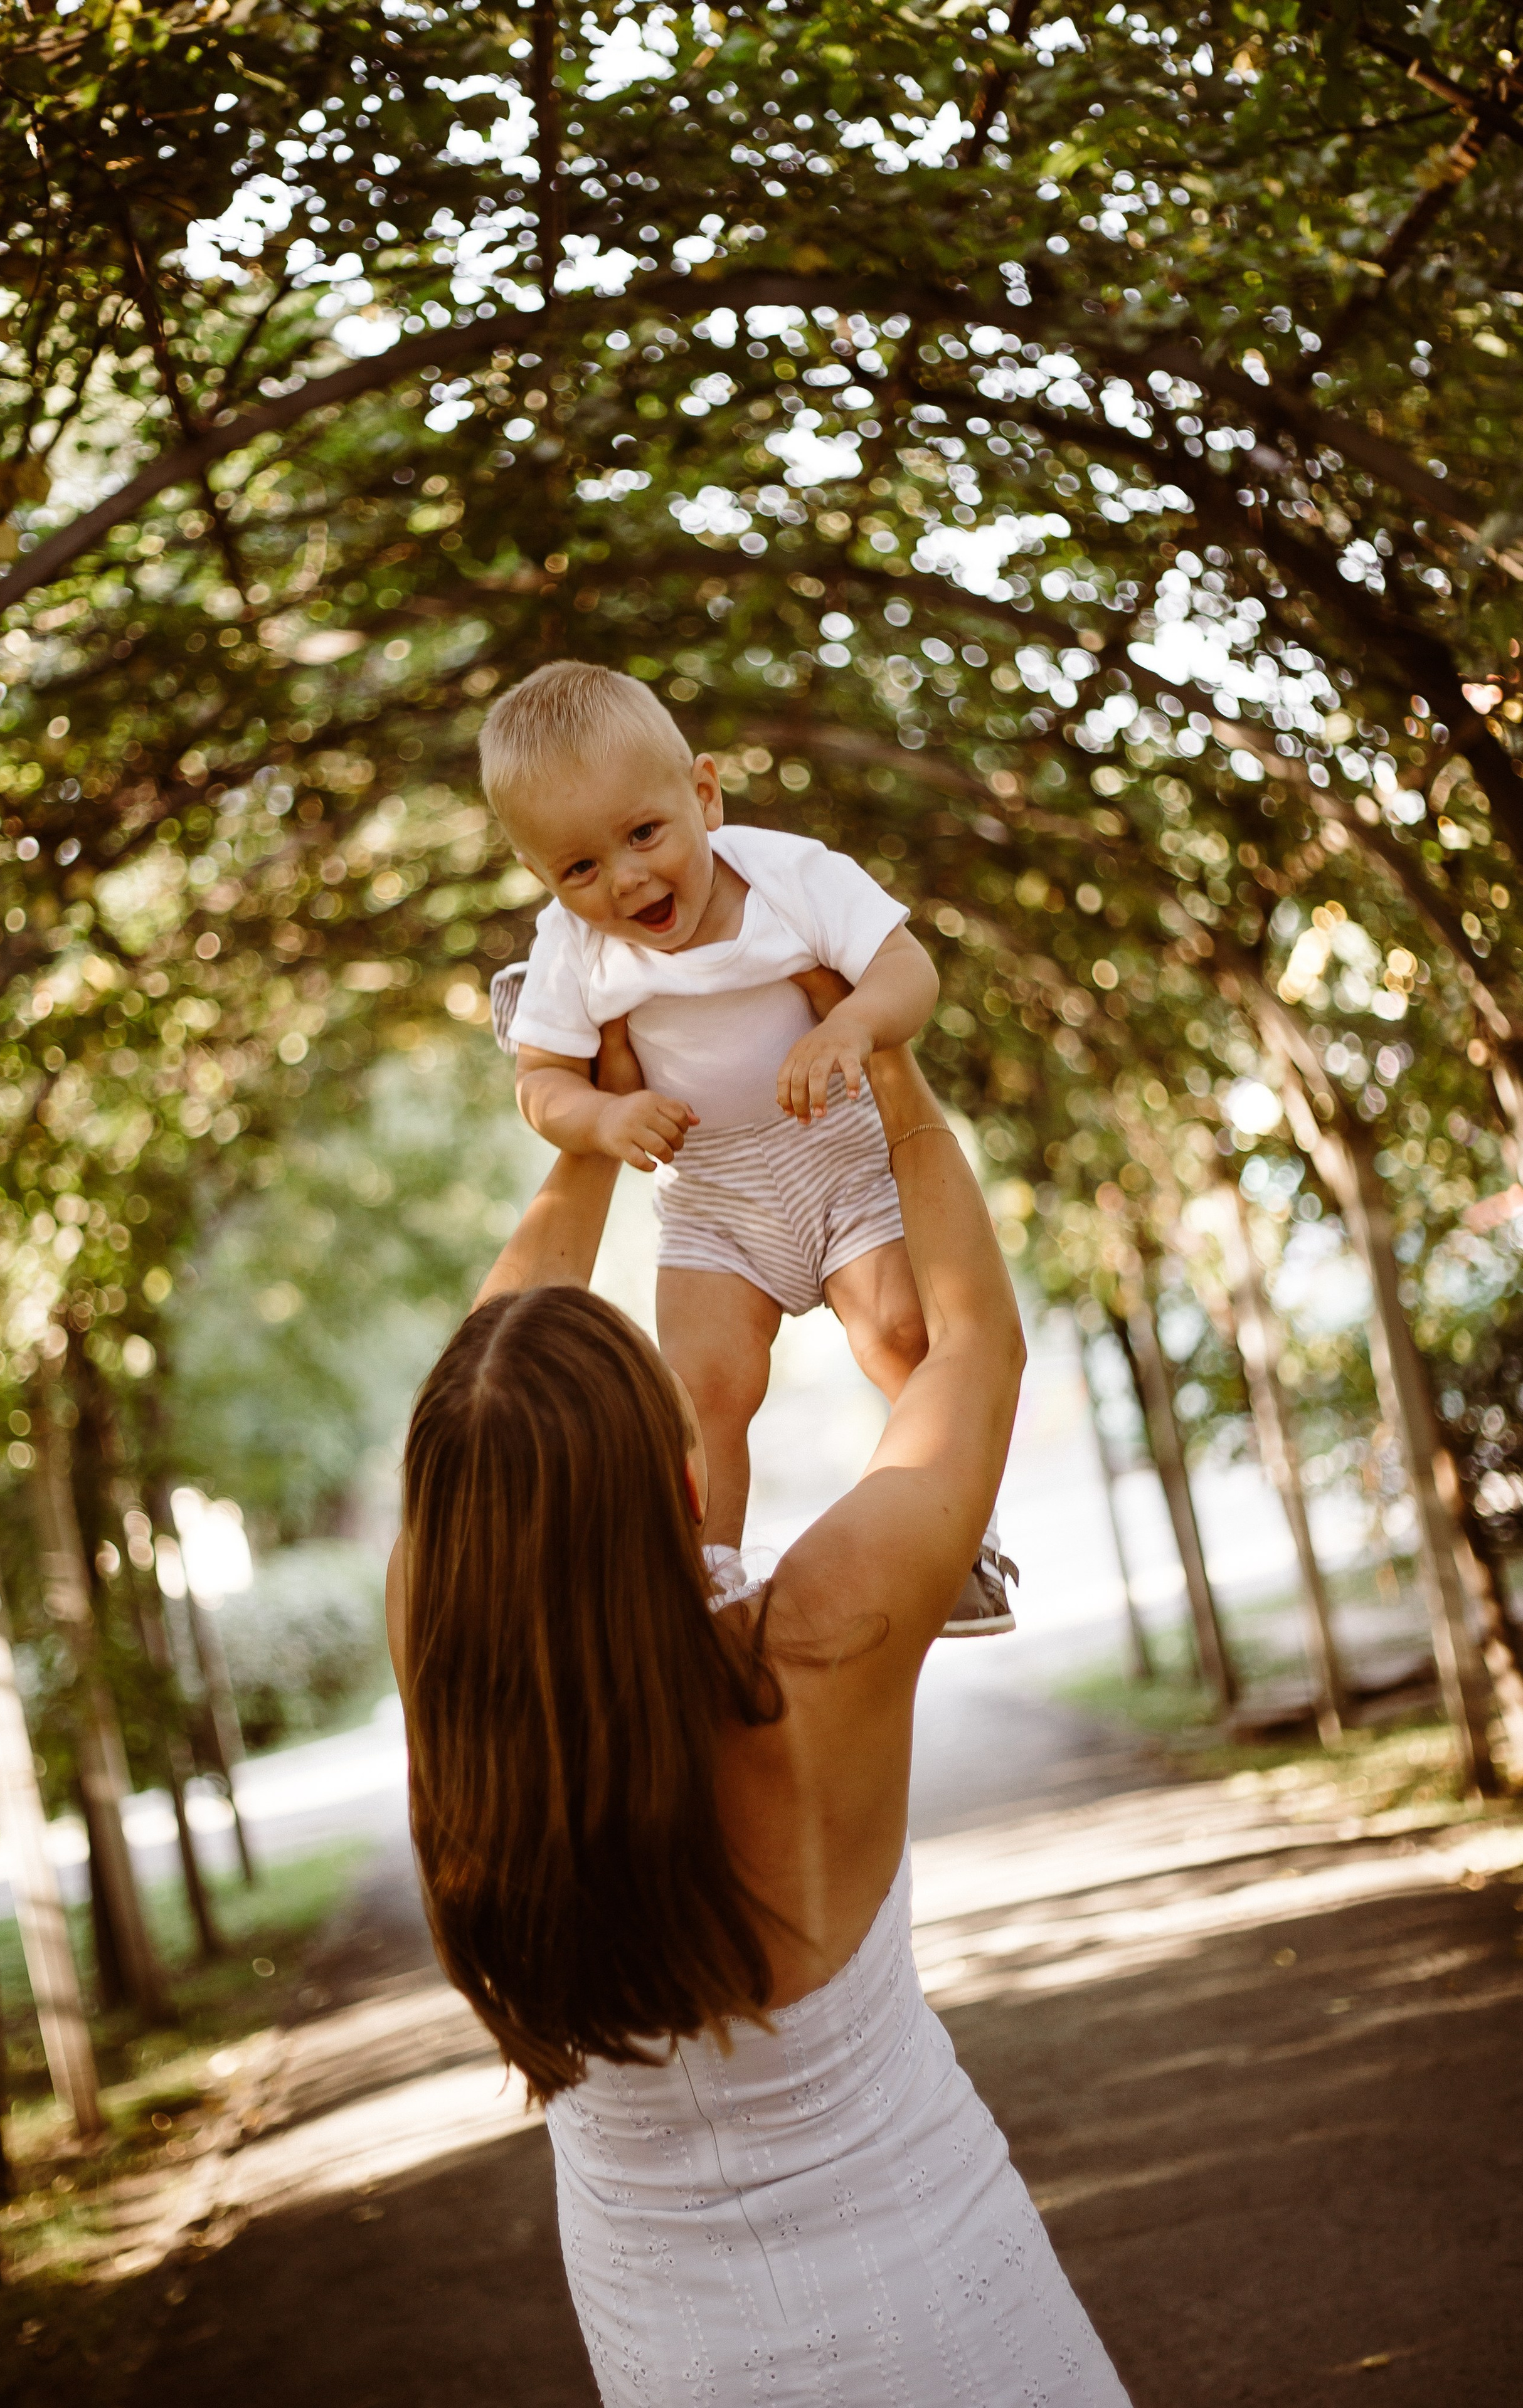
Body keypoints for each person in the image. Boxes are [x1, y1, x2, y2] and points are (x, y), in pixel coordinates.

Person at [386, 1013, 1131, 2406]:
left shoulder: (448, 1684)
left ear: (449, 1535)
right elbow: (970, 1348)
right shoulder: (816, 1644)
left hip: (674, 2360)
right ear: (680, 1486)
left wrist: (595, 1139)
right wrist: (893, 1064)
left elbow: (484, 1392)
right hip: (946, 2311)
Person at [477, 657, 1016, 1634]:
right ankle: (711, 1578)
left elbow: (908, 970)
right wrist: (601, 1117)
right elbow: (542, 1085)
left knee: (902, 1333)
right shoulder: (576, 944)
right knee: (701, 1387)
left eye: (644, 834)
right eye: (580, 868)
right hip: (714, 1191)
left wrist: (851, 1026)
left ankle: (954, 1534)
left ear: (704, 794)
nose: (627, 878)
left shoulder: (790, 876)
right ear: (544, 880)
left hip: (838, 1155)